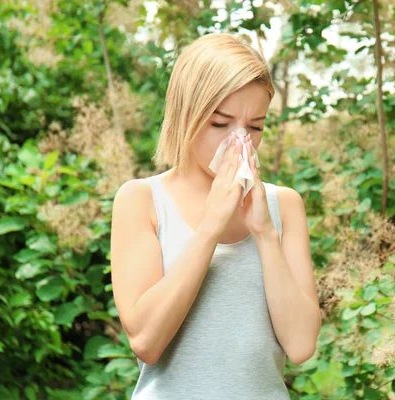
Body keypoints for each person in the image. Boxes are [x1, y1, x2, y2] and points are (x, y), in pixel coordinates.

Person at [110, 32, 322, 399]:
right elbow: (145, 340)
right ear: (185, 116)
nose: (240, 141)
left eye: (255, 126)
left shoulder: (284, 205)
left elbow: (301, 345)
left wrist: (264, 233)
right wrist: (210, 227)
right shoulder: (141, 200)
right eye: (221, 124)